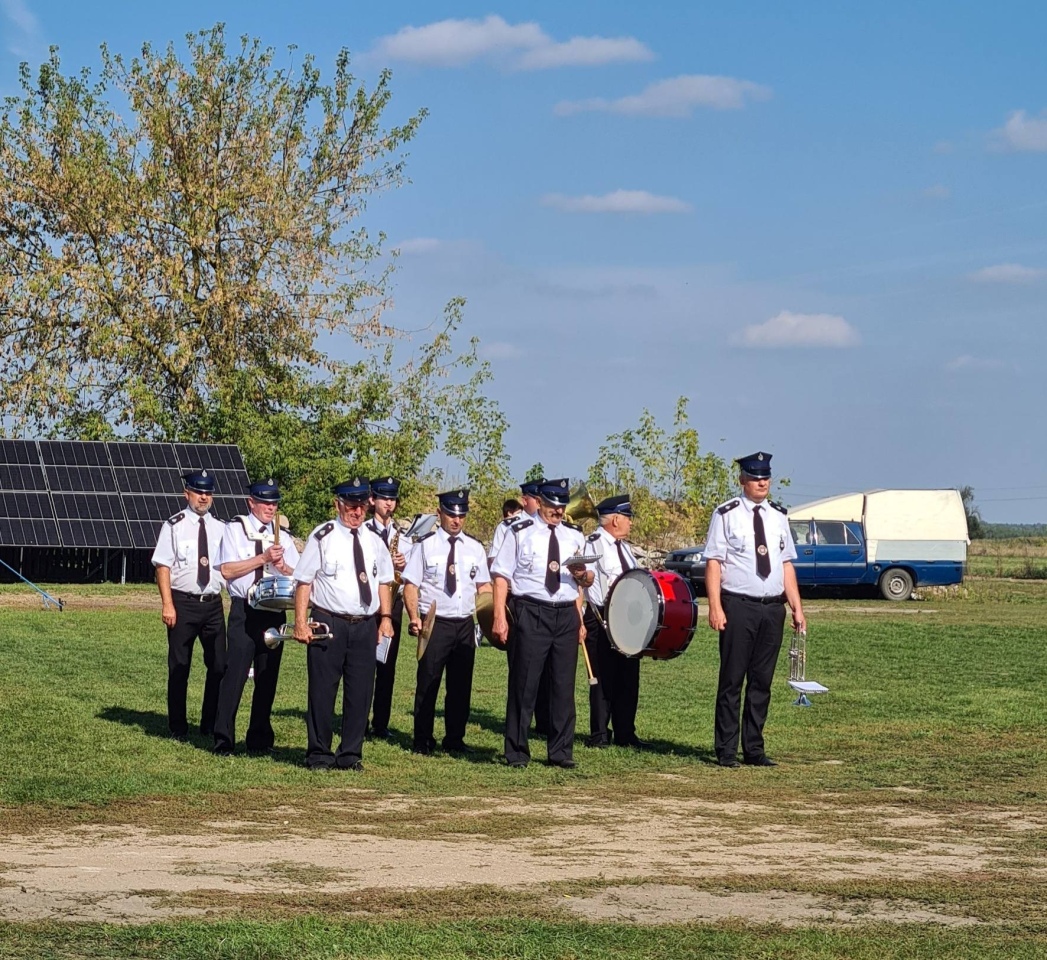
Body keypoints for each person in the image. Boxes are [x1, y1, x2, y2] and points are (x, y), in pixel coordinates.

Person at [704, 452, 806, 768]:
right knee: (732, 679)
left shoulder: (778, 516)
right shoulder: (727, 514)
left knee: (762, 681)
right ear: (742, 480)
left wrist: (797, 607)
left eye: (765, 477)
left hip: (772, 608)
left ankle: (754, 749)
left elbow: (786, 564)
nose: (762, 482)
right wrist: (715, 606)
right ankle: (726, 750)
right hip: (738, 605)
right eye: (755, 477)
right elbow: (714, 563)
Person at [293, 477, 395, 771]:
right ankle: (319, 753)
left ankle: (351, 754)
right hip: (329, 621)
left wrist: (385, 618)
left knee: (361, 692)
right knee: (322, 691)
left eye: (361, 506)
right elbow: (304, 581)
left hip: (364, 625)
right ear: (337, 505)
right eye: (351, 506)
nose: (357, 512)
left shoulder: (374, 540)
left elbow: (384, 581)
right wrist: (300, 622)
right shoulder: (323, 536)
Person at [491, 478, 588, 769]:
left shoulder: (574, 535)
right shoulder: (519, 531)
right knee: (525, 683)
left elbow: (585, 581)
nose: (558, 512)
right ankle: (517, 751)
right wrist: (499, 617)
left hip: (565, 613)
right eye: (553, 507)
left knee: (562, 685)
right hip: (531, 610)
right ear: (540, 503)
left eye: (562, 507)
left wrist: (582, 576)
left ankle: (560, 751)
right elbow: (501, 577)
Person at [212, 479, 300, 756]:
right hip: (245, 609)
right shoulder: (235, 529)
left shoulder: (282, 536)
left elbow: (299, 576)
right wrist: (262, 559)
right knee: (235, 675)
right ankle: (223, 739)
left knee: (267, 676)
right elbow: (227, 570)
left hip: (274, 611)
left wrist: (283, 566)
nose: (270, 508)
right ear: (251, 502)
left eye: (274, 503)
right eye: (264, 503)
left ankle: (260, 739)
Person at [402, 488, 492, 754]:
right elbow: (410, 585)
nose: (457, 520)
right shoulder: (425, 546)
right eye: (452, 515)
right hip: (435, 623)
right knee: (428, 682)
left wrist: (487, 618)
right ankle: (422, 739)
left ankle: (455, 738)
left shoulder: (474, 548)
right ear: (439, 513)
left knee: (460, 685)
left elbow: (484, 586)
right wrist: (414, 617)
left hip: (464, 623)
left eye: (461, 516)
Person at [150, 470, 227, 741]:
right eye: (198, 492)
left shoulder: (222, 529)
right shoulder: (174, 525)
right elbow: (162, 566)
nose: (203, 497)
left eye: (208, 493)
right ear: (187, 494)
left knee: (219, 666)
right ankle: (178, 727)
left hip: (213, 605)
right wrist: (167, 604)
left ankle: (209, 724)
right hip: (183, 603)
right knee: (180, 666)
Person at [583, 494, 647, 749]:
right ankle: (599, 733)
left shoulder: (625, 548)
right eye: (628, 517)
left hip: (627, 617)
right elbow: (584, 581)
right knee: (603, 674)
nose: (631, 522)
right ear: (616, 519)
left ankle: (625, 732)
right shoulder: (594, 544)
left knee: (628, 675)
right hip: (601, 615)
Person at [366, 476, 407, 739]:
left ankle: (380, 722)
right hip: (370, 601)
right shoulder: (363, 531)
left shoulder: (402, 535)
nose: (389, 504)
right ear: (372, 500)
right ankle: (359, 719)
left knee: (387, 666)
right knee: (364, 665)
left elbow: (412, 573)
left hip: (394, 602)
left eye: (392, 499)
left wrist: (403, 564)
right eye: (384, 499)